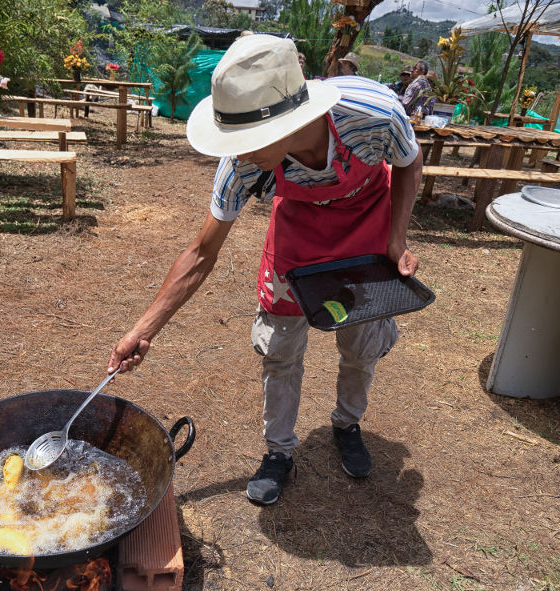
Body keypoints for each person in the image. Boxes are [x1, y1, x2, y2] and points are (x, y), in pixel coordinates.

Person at [107, 35, 423, 505]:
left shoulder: (375, 115)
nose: (237, 152)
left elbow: (410, 163)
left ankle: (347, 422)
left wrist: (396, 238)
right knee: (280, 349)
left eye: (248, 140)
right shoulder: (243, 166)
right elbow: (201, 252)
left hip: (365, 233)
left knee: (362, 343)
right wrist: (143, 329)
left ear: (290, 121)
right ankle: (279, 452)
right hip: (298, 240)